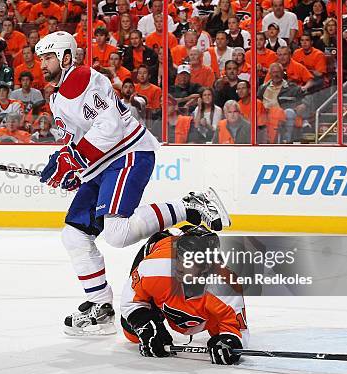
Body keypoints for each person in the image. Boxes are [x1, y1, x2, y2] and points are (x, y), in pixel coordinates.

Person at [35, 31, 230, 336]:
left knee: (117, 232)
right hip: (104, 163)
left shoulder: (81, 79)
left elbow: (110, 126)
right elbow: (82, 137)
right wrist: (74, 169)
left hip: (128, 153)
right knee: (74, 236)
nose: (42, 64)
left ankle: (190, 206)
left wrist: (74, 159)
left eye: (48, 57)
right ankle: (100, 307)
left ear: (66, 57)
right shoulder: (58, 96)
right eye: (40, 59)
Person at [120, 224, 248, 364]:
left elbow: (237, 331)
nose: (180, 267)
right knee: (132, 333)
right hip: (160, 245)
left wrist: (230, 341)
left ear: (206, 266)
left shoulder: (226, 286)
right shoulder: (155, 267)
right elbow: (130, 301)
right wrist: (145, 324)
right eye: (179, 258)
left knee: (219, 335)